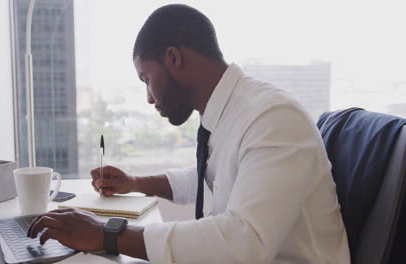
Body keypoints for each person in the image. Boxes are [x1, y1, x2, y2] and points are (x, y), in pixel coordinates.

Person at [27, 4, 350, 263]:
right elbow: (209, 177)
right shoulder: (230, 112)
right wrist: (136, 184)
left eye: (146, 80)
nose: (149, 98)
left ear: (173, 58)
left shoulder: (272, 116)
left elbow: (245, 241)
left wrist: (106, 233)